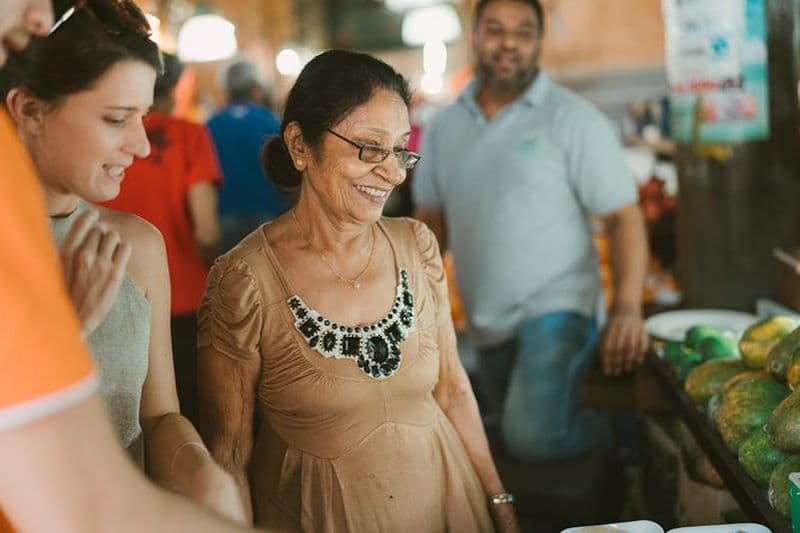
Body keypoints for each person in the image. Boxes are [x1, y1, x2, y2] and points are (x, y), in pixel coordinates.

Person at [197, 49, 519, 532]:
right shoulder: (244, 281)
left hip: (450, 507)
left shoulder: (416, 245)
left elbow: (453, 390)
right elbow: (228, 455)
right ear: (300, 145)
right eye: (370, 148)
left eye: (400, 150)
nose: (394, 173)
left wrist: (500, 503)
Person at [0, 0, 252, 531]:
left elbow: (158, 416)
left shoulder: (136, 244)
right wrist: (65, 327)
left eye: (144, 117)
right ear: (30, 110)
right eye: (116, 119)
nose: (139, 146)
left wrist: (199, 470)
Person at [412, 0, 650, 463]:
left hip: (558, 307)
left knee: (531, 438)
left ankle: (623, 442)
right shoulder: (443, 127)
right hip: (484, 318)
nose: (509, 43)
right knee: (510, 431)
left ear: (539, 42)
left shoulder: (573, 118)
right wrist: (416, 309)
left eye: (523, 32)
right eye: (495, 30)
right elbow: (430, 223)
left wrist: (626, 308)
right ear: (475, 36)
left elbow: (624, 218)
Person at [103, 51, 223, 426]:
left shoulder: (102, 138)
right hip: (184, 297)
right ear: (171, 91)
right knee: (180, 418)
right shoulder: (189, 135)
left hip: (106, 293)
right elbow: (206, 230)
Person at [207, 59, 288, 253]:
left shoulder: (211, 125)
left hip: (225, 216)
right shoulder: (271, 122)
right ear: (255, 88)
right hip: (268, 215)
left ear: (227, 89)